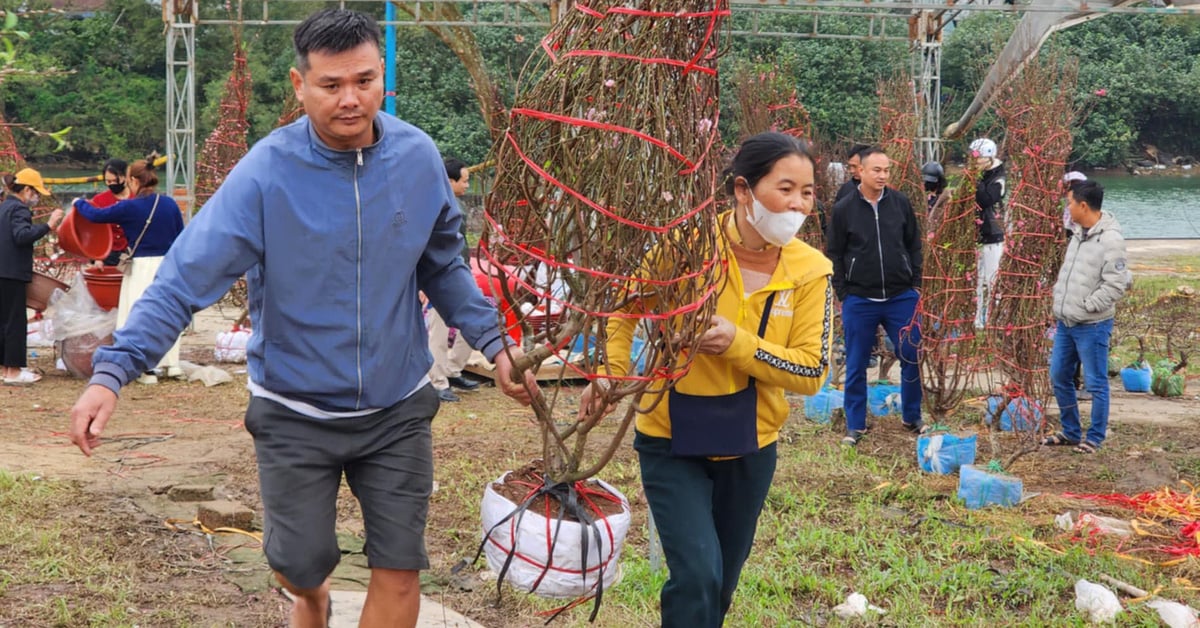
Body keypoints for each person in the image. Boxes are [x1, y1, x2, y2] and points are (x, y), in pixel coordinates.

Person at [67, 9, 537, 628]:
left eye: (364, 81)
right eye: (331, 85)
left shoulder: (418, 159)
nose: (350, 99)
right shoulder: (265, 174)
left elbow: (443, 265)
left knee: (399, 570)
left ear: (381, 80)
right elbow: (182, 282)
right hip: (294, 410)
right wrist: (113, 372)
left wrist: (495, 343)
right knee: (301, 567)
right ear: (299, 84)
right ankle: (308, 599)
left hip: (397, 406)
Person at [581, 132, 833, 627]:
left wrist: (738, 343)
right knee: (696, 573)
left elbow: (811, 370)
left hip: (751, 444)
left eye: (807, 192)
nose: (798, 204)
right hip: (669, 435)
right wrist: (612, 372)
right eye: (785, 189)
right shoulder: (688, 247)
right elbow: (625, 306)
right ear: (744, 190)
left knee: (720, 582)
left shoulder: (812, 271)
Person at [826, 147, 924, 446]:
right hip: (860, 299)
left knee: (911, 354)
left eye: (887, 171)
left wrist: (915, 284)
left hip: (900, 297)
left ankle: (912, 416)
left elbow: (914, 245)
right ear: (862, 172)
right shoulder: (844, 208)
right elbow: (835, 253)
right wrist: (844, 292)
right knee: (856, 363)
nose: (883, 176)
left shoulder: (900, 203)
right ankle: (855, 425)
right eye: (877, 170)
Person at [72, 159, 187, 383]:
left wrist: (78, 202)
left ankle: (146, 369)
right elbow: (181, 236)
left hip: (141, 267)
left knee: (138, 317)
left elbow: (96, 215)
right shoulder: (169, 204)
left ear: (133, 180)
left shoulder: (129, 207)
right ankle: (172, 364)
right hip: (168, 266)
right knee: (167, 315)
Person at [1042, 180, 1130, 455]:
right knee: (1059, 375)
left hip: (1092, 324)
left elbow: (1116, 284)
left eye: (1069, 202)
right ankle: (1070, 431)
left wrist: (1087, 306)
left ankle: (1094, 437)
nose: (1067, 208)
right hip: (1066, 323)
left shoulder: (1111, 239)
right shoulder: (1078, 233)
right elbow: (1068, 274)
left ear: (1083, 205)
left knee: (1095, 382)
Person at [1, 168, 64, 385]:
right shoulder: (19, 209)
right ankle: (14, 371)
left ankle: (5, 368)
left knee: (4, 321)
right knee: (15, 322)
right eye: (36, 192)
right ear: (27, 189)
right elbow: (22, 236)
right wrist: (49, 225)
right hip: (12, 273)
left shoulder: (5, 206)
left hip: (3, 272)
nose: (36, 197)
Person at [426, 157, 480, 402]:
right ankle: (438, 382)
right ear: (449, 181)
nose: (467, 185)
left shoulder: (457, 203)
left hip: (462, 271)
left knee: (474, 319)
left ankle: (453, 368)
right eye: (465, 180)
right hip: (440, 275)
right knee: (439, 330)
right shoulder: (435, 205)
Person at [968, 137, 1005, 329]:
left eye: (979, 158)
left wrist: (976, 178)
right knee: (976, 280)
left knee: (992, 279)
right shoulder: (978, 176)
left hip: (993, 235)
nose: (975, 162)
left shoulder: (998, 179)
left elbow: (985, 199)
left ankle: (993, 319)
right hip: (975, 235)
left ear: (989, 158)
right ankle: (977, 320)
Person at [88, 158, 132, 267]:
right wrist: (97, 257)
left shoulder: (136, 199)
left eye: (115, 181)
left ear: (124, 177)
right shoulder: (99, 200)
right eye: (108, 181)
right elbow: (93, 231)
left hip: (132, 252)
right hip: (106, 253)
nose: (112, 184)